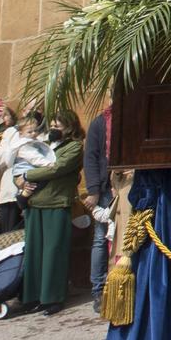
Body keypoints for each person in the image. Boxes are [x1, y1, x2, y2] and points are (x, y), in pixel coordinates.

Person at [16, 114, 84, 315]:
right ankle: (32, 297)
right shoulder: (43, 144)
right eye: (52, 124)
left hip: (57, 202)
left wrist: (28, 175)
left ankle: (53, 298)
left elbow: (57, 168)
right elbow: (21, 163)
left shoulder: (74, 147)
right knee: (34, 253)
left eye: (58, 124)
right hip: (35, 202)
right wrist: (19, 179)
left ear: (69, 126)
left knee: (54, 252)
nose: (53, 127)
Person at [82, 103, 115, 313]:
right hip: (104, 189)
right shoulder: (100, 122)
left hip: (126, 186)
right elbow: (91, 158)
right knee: (101, 239)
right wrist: (93, 190)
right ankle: (99, 289)